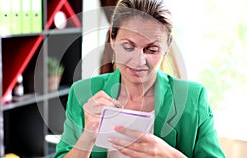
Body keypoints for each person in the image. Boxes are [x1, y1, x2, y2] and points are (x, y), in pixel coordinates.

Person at [54, 0, 225, 157]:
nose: (138, 61)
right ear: (112, 40)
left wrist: (169, 155)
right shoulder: (82, 92)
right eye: (128, 47)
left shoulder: (193, 98)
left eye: (152, 50)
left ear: (167, 47)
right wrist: (88, 136)